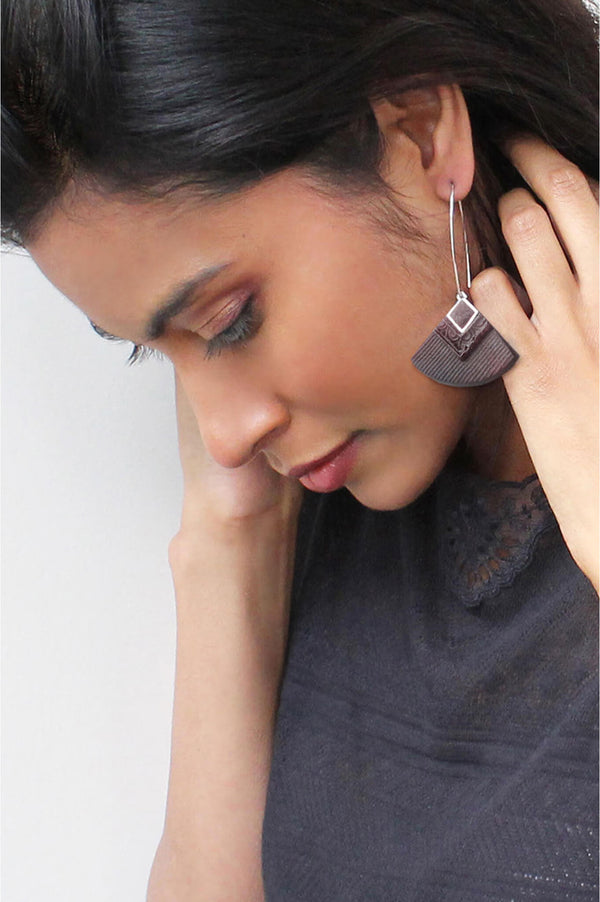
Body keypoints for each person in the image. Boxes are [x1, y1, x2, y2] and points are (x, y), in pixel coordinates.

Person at [2, 1, 598, 900]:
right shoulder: (321, 497)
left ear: (423, 130)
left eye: (230, 321)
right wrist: (229, 548)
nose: (223, 433)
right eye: (149, 351)